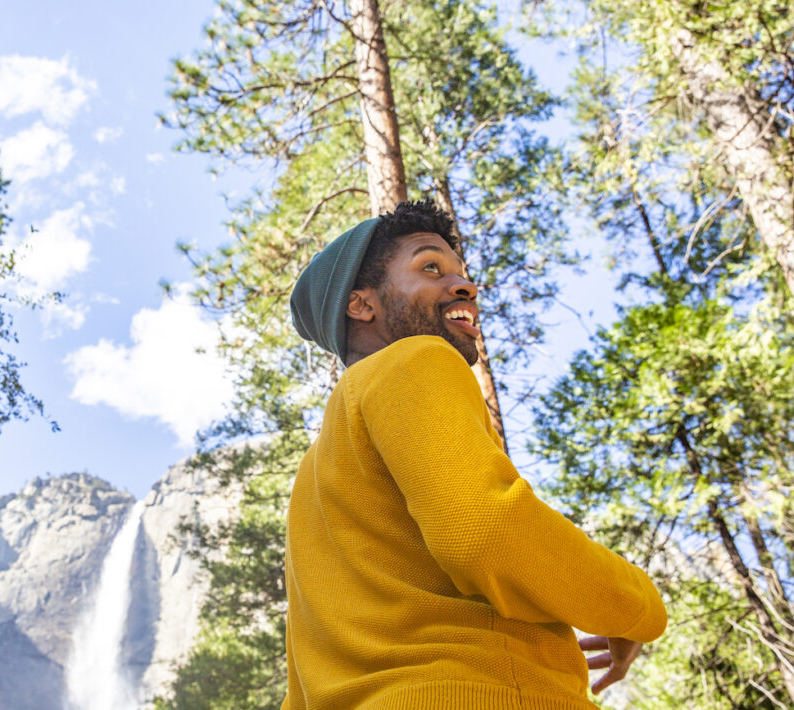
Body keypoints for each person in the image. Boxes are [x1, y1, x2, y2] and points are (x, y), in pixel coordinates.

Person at [282, 200, 667, 709]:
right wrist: (638, 608)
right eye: (430, 268)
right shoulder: (416, 358)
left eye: (461, 273)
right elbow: (486, 531)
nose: (465, 286)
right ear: (362, 304)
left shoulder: (317, 475)